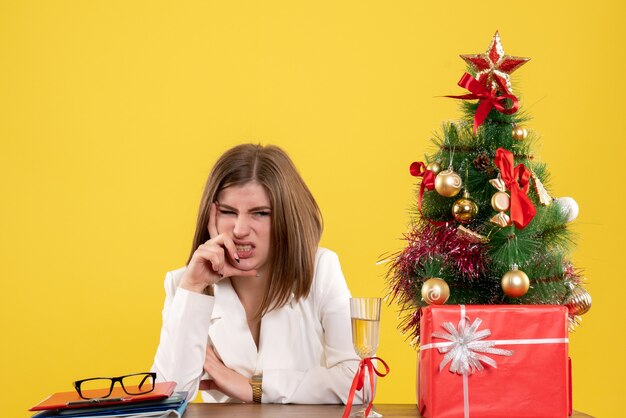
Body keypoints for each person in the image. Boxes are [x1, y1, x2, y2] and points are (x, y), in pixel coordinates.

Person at [151, 143, 361, 404]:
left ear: (287, 218)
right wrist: (194, 287)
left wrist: (254, 388)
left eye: (260, 213)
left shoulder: (321, 269)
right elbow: (165, 395)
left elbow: (359, 382)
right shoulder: (183, 284)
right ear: (211, 216)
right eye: (228, 212)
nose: (239, 229)